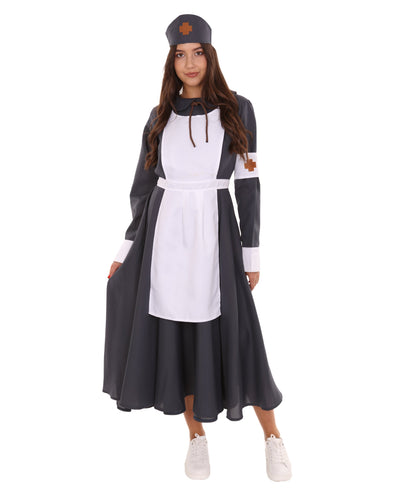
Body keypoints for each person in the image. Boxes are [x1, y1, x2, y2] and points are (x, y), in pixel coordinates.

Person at [102, 13, 292, 482]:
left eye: (198, 53)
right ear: (171, 62)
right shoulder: (159, 116)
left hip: (217, 230)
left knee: (241, 335)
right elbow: (142, 188)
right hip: (164, 234)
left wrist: (251, 252)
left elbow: (248, 183)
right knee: (180, 338)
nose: (190, 63)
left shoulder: (239, 109)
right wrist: (125, 251)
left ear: (211, 55)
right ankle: (195, 437)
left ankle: (272, 437)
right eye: (180, 55)